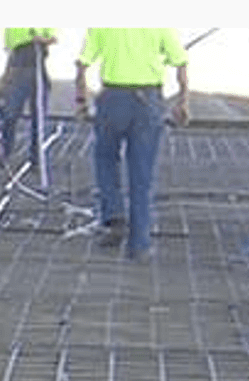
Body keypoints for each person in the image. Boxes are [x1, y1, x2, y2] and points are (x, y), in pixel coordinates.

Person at [74, 28, 190, 259]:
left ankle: (114, 214)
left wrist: (81, 99)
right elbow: (181, 63)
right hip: (147, 100)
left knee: (105, 159)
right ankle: (140, 243)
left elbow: (82, 64)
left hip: (113, 98)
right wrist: (183, 101)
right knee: (142, 173)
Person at [0, 27, 56, 165]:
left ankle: (36, 157)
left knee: (39, 116)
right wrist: (5, 79)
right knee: (10, 113)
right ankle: (6, 151)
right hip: (19, 67)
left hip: (38, 67)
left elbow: (52, 36)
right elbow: (10, 49)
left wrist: (44, 40)